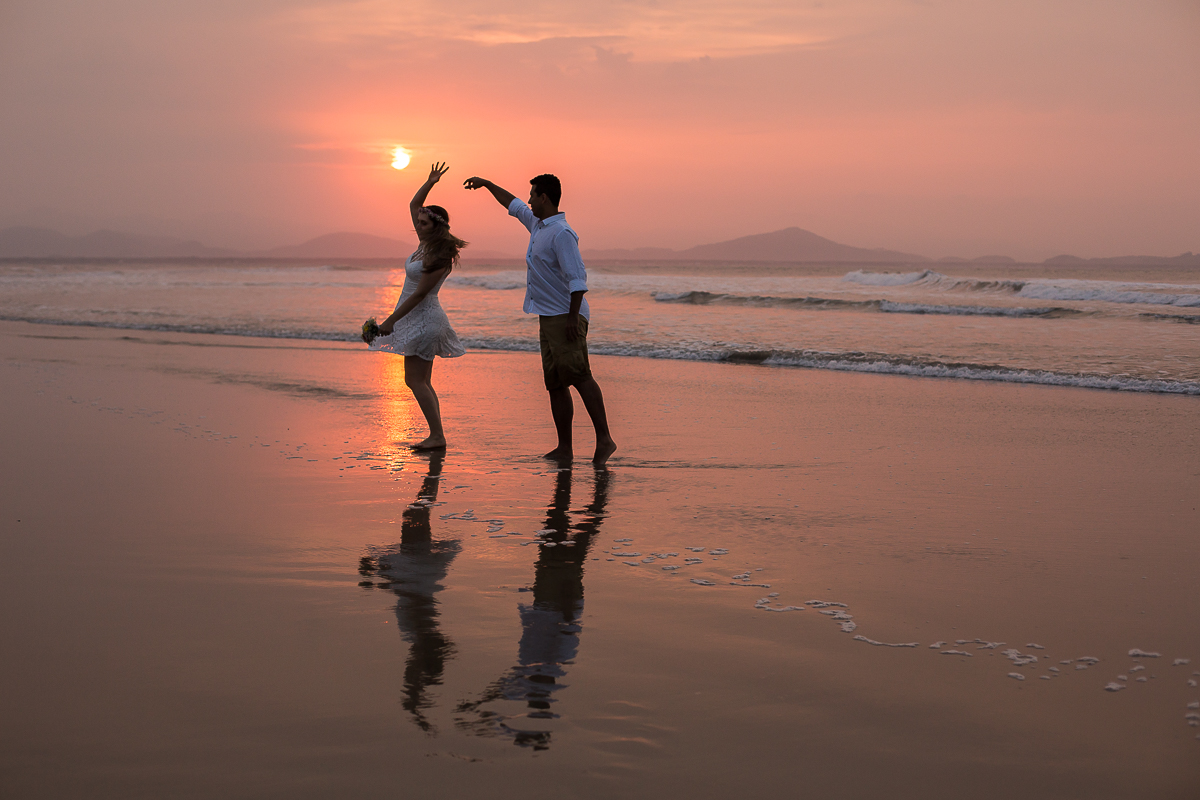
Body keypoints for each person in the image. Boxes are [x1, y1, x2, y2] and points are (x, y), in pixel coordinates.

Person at [462, 172, 616, 464]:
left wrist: (573, 318)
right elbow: (514, 204)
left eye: (533, 195)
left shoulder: (562, 233)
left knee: (581, 376)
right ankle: (565, 448)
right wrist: (487, 184)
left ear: (544, 197)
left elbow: (578, 279)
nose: (529, 199)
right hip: (547, 315)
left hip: (566, 315)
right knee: (555, 384)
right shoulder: (538, 225)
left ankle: (605, 439)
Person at [366, 162, 466, 450]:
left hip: (424, 319)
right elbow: (414, 204)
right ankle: (437, 435)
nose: (418, 226)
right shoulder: (425, 244)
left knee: (414, 380)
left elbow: (420, 294)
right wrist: (430, 181)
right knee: (421, 380)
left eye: (424, 223)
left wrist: (390, 322)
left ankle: (437, 436)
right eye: (419, 222)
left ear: (437, 227)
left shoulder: (439, 255)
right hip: (417, 318)